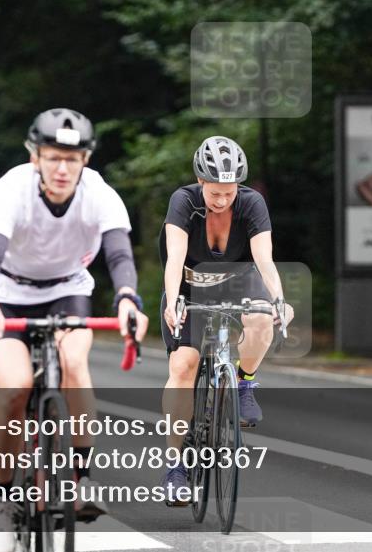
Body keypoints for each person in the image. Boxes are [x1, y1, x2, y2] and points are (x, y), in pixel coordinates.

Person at [0, 108, 149, 552]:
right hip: (10, 294)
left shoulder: (99, 193)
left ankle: (82, 478)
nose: (63, 168)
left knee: (73, 363)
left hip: (68, 290)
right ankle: (3, 501)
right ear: (36, 157)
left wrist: (128, 298)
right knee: (15, 388)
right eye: (53, 157)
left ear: (85, 159)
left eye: (72, 158)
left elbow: (119, 253)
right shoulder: (13, 188)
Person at [157, 136, 292, 505]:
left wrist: (279, 299)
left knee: (262, 319)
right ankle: (175, 467)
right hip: (190, 287)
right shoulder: (183, 201)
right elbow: (174, 256)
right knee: (183, 365)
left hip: (239, 281)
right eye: (214, 192)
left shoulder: (251, 203)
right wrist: (173, 301)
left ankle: (244, 384)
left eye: (229, 193)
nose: (221, 200)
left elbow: (264, 258)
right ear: (200, 181)